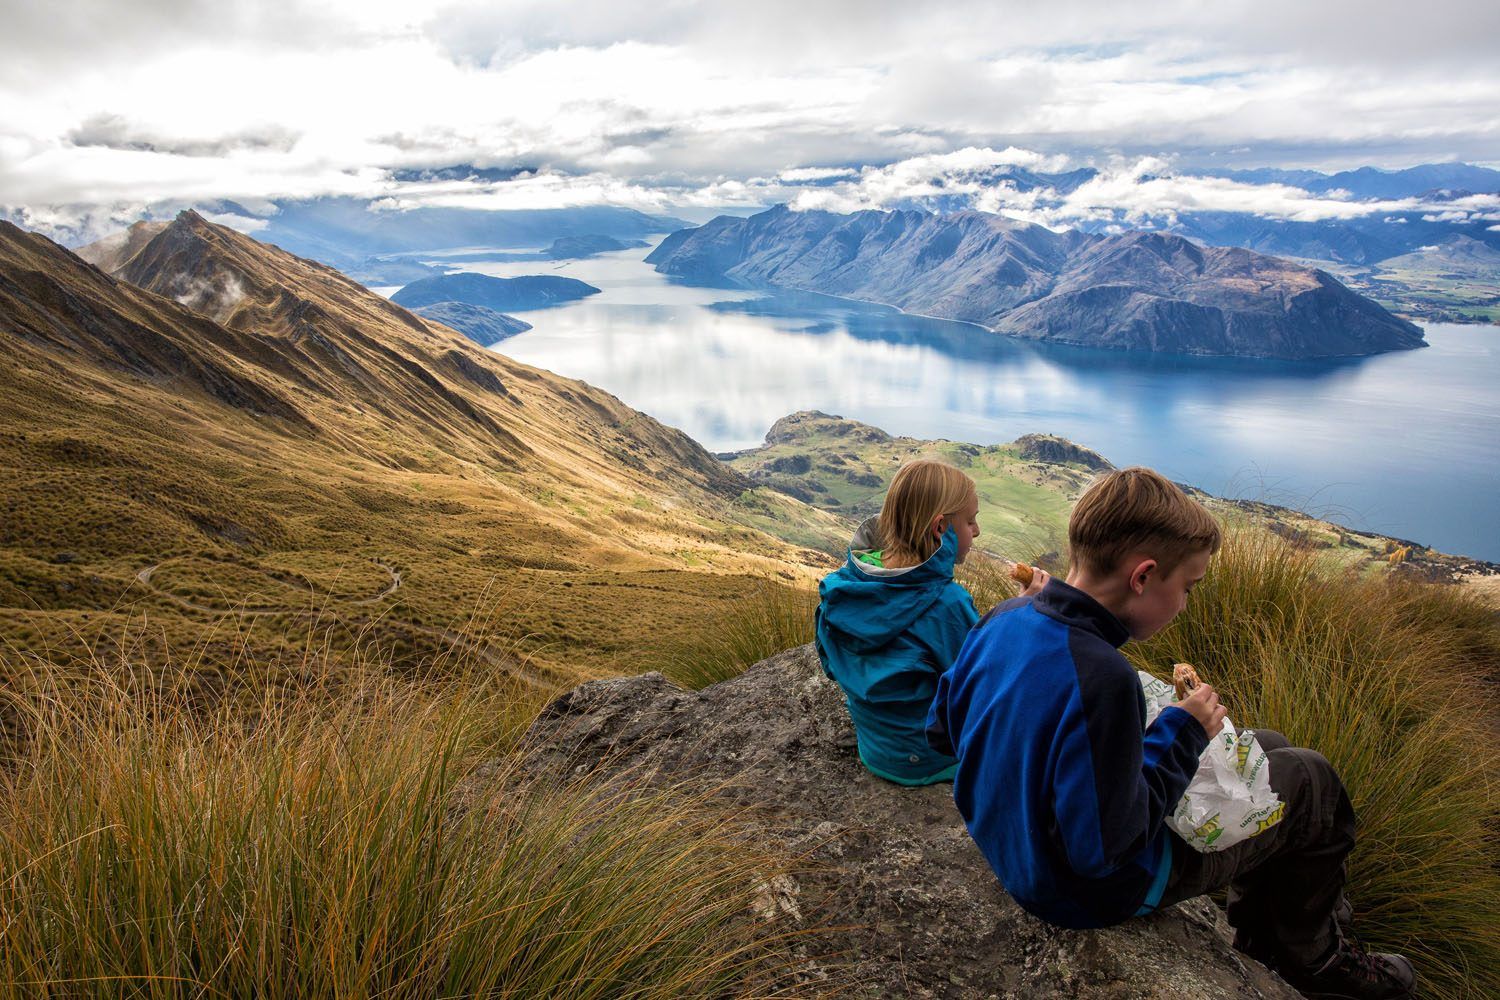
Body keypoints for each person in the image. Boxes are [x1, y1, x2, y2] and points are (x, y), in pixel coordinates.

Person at [926, 467, 1415, 1000]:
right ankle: (1311, 956)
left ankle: (1284, 908)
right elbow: (1106, 849)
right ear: (1143, 576)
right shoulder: (1104, 678)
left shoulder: (1005, 616)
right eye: (1187, 587)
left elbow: (941, 731)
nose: (1185, 604)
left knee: (1266, 747)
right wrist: (1181, 731)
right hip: (1082, 891)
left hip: (1015, 847)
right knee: (1312, 781)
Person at [815, 459, 1047, 786]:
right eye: (970, 521)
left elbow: (829, 663)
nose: (977, 531)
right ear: (941, 528)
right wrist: (1026, 613)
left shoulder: (845, 585)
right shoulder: (946, 604)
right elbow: (987, 686)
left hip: (876, 748)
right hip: (927, 759)